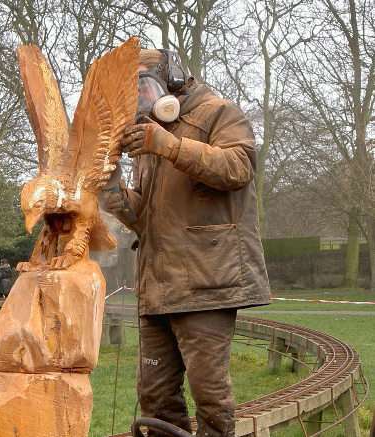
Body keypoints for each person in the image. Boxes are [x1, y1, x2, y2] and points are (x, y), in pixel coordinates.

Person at [103, 49, 271, 437]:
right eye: (133, 99)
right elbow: (145, 216)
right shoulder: (151, 134)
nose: (140, 105)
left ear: (173, 78)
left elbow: (238, 167)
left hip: (207, 282)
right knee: (155, 397)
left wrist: (169, 145)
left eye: (143, 91)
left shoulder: (219, 112)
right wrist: (111, 187)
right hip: (158, 286)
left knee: (209, 397)